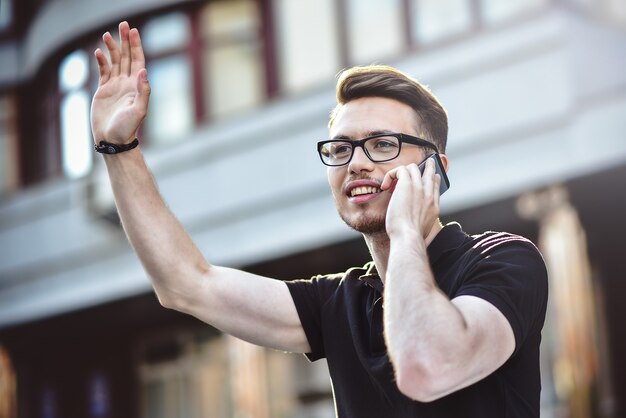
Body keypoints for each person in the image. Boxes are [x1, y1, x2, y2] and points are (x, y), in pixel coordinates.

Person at [91, 21, 548, 418]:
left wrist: (405, 230)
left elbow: (427, 366)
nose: (357, 163)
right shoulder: (339, 303)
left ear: (437, 170)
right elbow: (186, 284)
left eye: (383, 144)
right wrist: (119, 148)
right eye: (341, 148)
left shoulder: (503, 261)